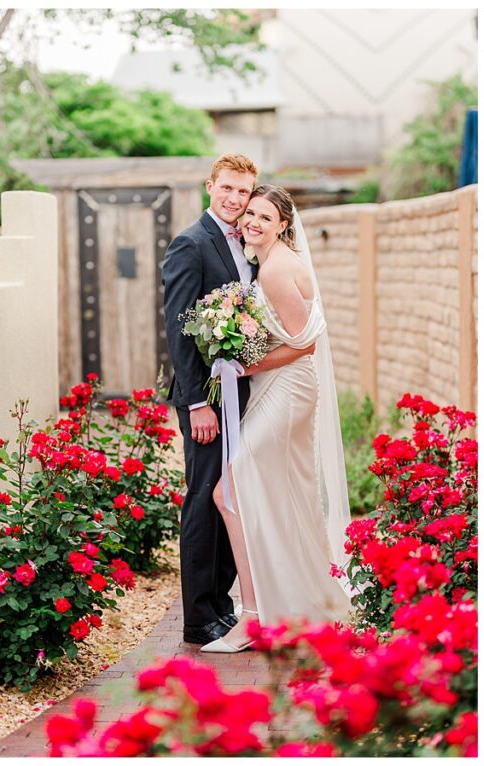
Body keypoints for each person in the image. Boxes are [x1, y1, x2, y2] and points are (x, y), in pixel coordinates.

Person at [162, 155, 315, 646]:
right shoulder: (190, 244)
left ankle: (225, 606)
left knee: (237, 493)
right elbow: (180, 331)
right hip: (207, 399)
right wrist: (195, 404)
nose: (234, 199)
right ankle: (198, 616)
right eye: (226, 188)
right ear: (210, 186)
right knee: (207, 500)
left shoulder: (248, 247)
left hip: (245, 393)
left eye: (243, 192)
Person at [200, 184, 352, 653]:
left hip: (287, 389)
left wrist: (241, 364)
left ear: (283, 224)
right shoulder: (268, 264)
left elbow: (303, 344)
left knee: (231, 492)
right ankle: (295, 599)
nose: (253, 223)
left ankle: (254, 615)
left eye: (265, 217)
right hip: (278, 387)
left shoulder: (277, 271)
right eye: (249, 215)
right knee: (278, 492)